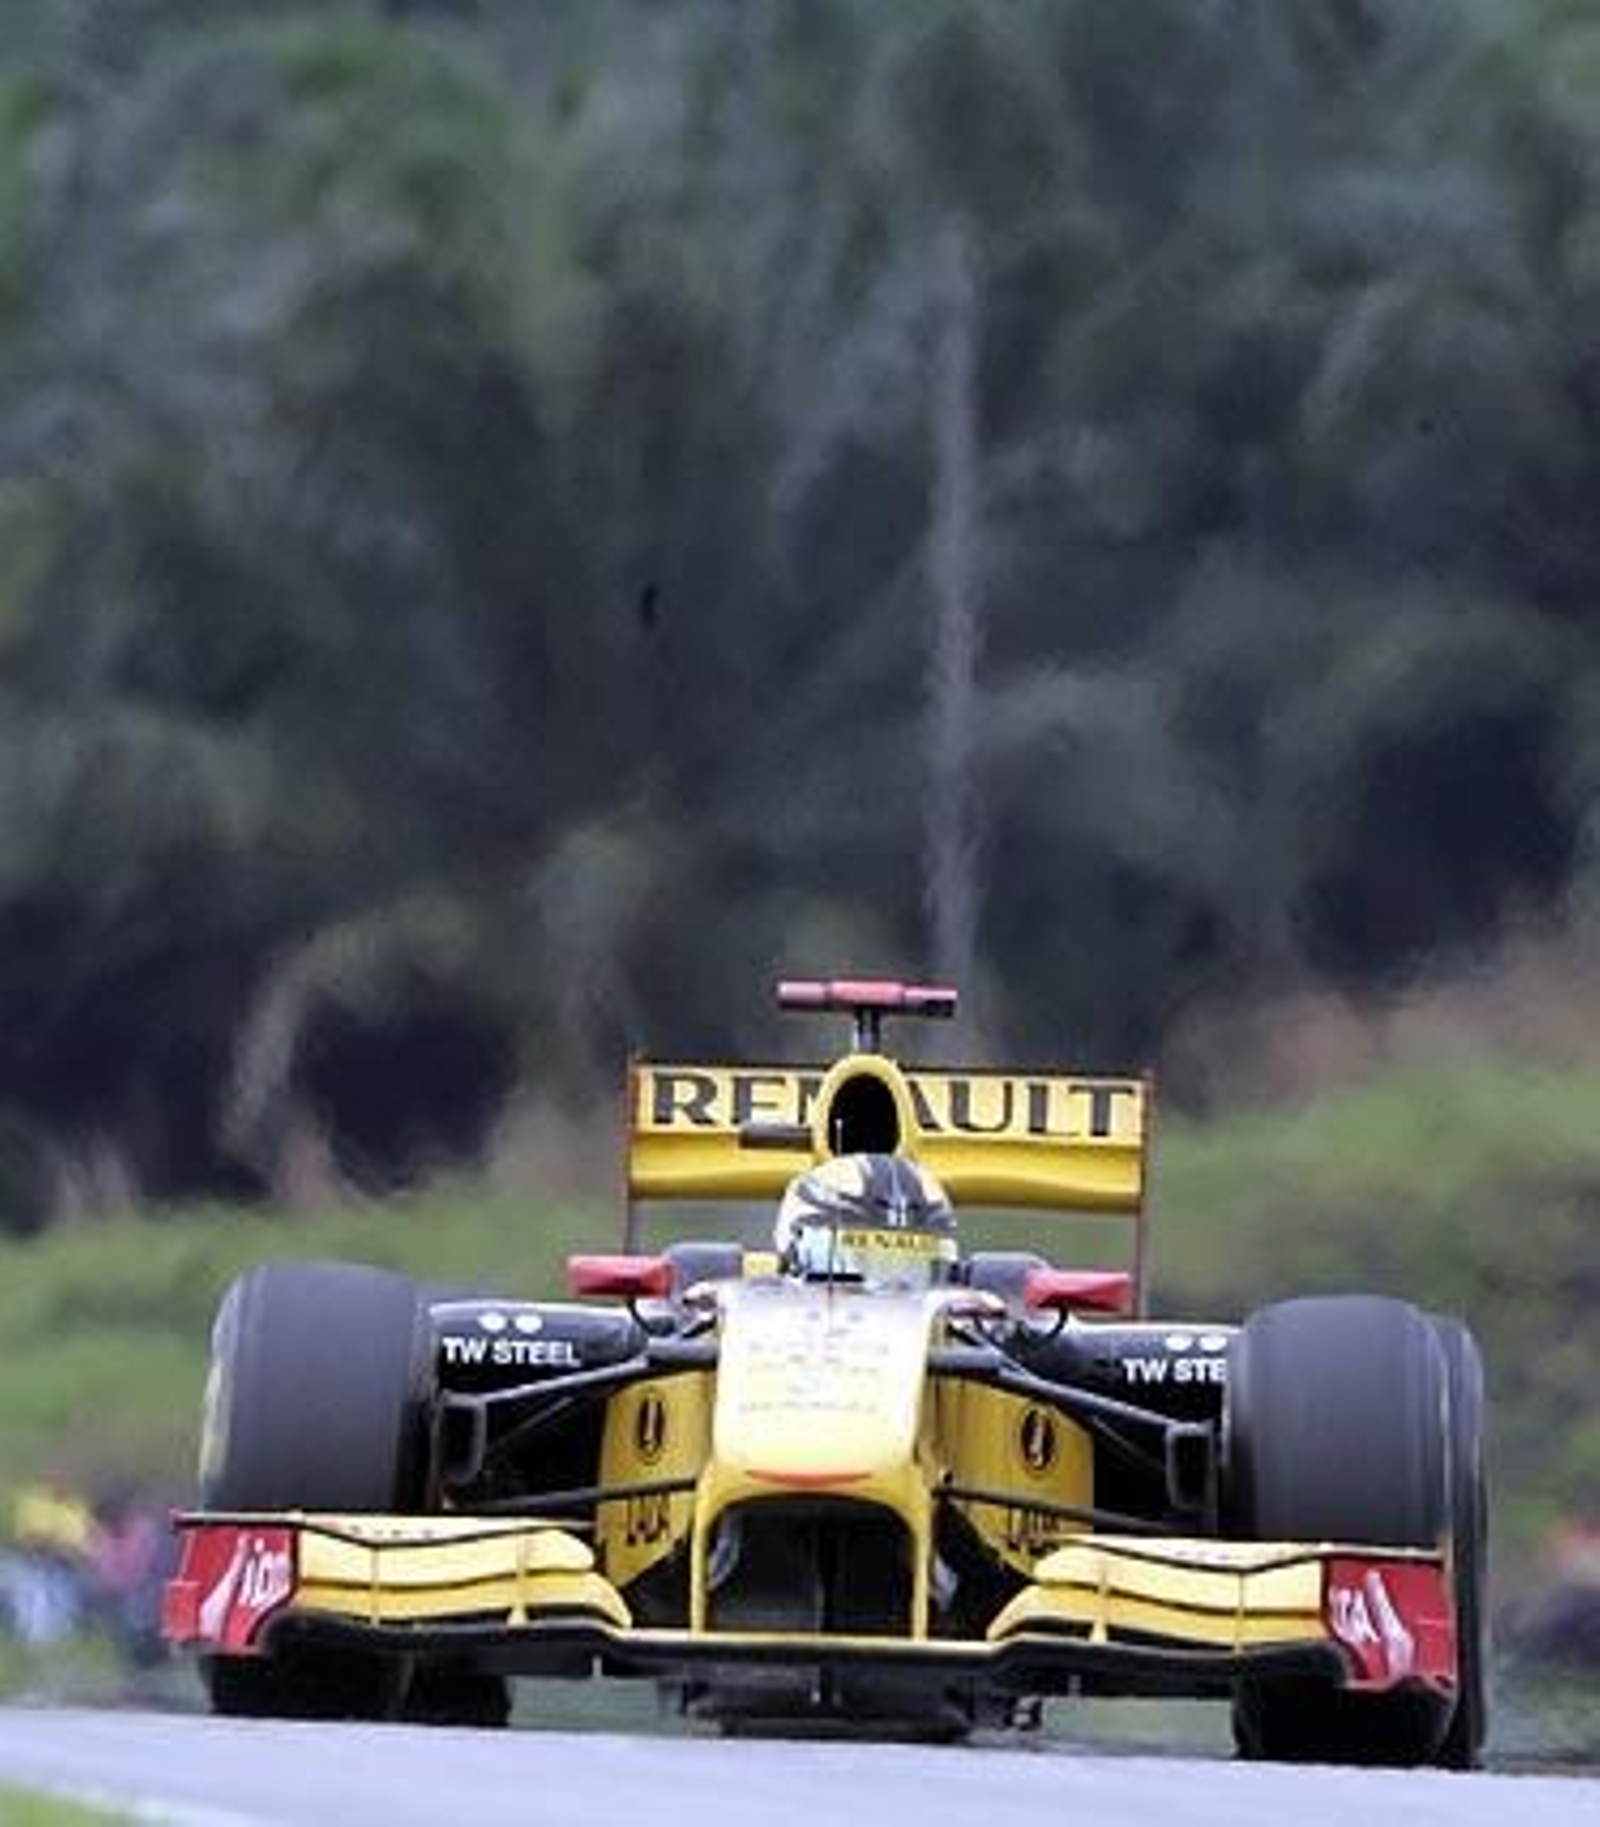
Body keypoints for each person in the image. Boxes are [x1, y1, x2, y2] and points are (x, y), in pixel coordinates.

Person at [773, 1153, 958, 1288]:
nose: (887, 1293)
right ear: (794, 1251)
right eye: (863, 1261)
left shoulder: (963, 1333)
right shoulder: (757, 1320)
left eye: (910, 1267)